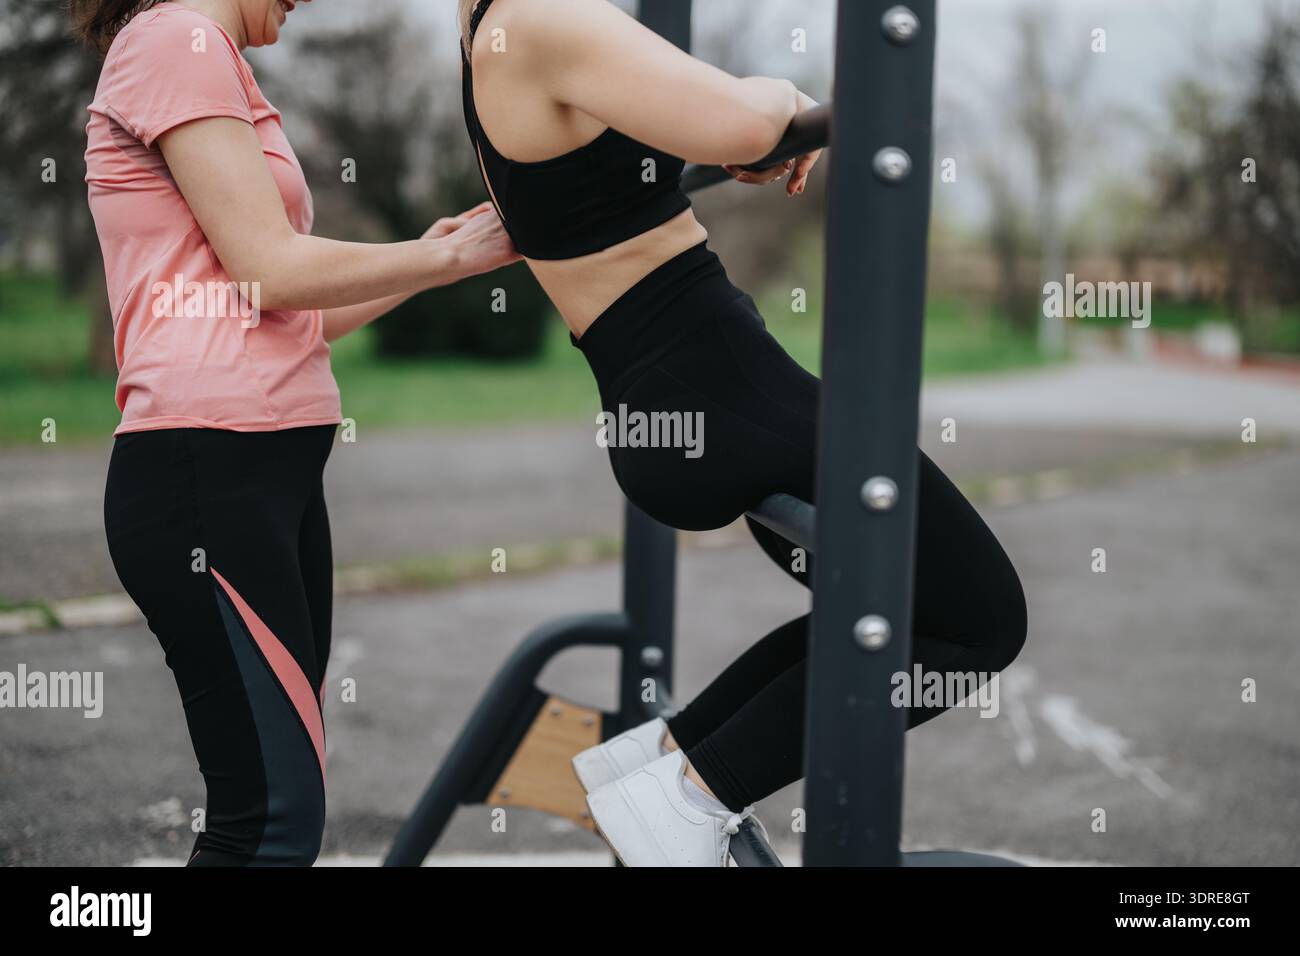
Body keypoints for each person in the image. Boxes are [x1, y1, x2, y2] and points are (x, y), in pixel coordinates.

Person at [458, 0, 1028, 866]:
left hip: (677, 392)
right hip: (719, 388)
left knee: (894, 612)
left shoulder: (488, 35)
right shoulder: (543, 14)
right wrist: (773, 105)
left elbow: (627, 162)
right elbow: (745, 113)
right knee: (984, 621)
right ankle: (687, 795)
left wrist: (736, 139)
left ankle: (662, 762)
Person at [78, 0, 518, 865]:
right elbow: (272, 273)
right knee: (270, 824)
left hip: (262, 480)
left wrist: (432, 255)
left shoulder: (205, 55)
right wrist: (449, 260)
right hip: (208, 481)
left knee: (276, 812)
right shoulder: (177, 40)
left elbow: (282, 315)